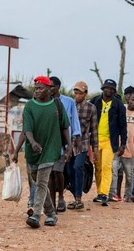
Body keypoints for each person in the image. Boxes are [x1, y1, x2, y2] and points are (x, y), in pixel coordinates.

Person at [12, 76, 69, 228]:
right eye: (35, 88)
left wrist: (69, 146)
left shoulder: (57, 105)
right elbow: (27, 129)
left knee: (42, 182)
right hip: (33, 150)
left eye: (40, 88)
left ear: (49, 90)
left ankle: (36, 215)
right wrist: (24, 147)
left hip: (51, 148)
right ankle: (51, 213)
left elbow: (64, 127)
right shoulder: (30, 106)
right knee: (39, 182)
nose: (36, 91)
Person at [89, 79, 127, 205]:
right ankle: (100, 192)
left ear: (114, 91)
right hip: (95, 140)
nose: (109, 90)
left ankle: (105, 194)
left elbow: (123, 126)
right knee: (98, 167)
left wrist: (123, 144)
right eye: (107, 88)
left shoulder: (118, 105)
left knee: (107, 167)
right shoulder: (94, 101)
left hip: (110, 141)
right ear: (103, 88)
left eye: (111, 89)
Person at [49, 77, 80, 212]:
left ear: (57, 87)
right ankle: (52, 203)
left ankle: (61, 197)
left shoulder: (68, 102)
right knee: (50, 173)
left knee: (58, 171)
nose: (49, 89)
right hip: (48, 143)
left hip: (62, 143)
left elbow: (74, 122)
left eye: (51, 86)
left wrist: (75, 139)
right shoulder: (44, 102)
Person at [67, 81, 96, 210]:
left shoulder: (91, 108)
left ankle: (78, 198)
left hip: (83, 143)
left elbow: (94, 129)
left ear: (85, 94)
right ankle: (74, 194)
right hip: (69, 143)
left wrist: (95, 148)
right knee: (68, 170)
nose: (77, 95)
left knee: (78, 167)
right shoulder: (69, 105)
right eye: (76, 92)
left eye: (80, 93)